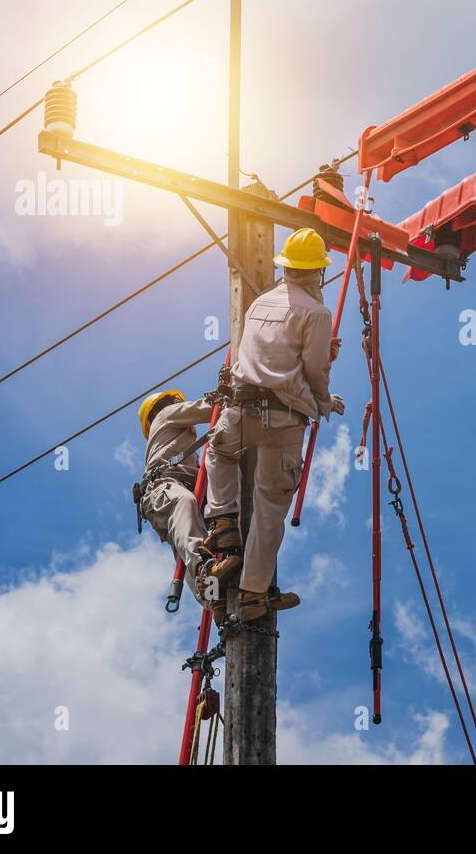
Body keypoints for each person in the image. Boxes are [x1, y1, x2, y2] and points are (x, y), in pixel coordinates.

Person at [203, 228, 345, 622]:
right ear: (316, 272)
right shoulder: (316, 312)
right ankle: (251, 595)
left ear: (286, 267)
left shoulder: (259, 304)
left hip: (243, 410)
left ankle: (225, 524)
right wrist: (325, 402)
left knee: (219, 452)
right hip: (284, 420)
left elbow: (269, 354)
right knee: (269, 506)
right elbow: (315, 371)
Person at [135, 390, 215, 611]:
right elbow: (211, 409)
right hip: (164, 489)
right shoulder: (167, 415)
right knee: (184, 504)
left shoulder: (180, 441)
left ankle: (213, 599)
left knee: (188, 545)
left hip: (180, 490)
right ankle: (205, 570)